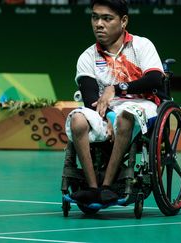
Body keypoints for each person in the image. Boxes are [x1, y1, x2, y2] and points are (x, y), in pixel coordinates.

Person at [65, 0, 164, 204]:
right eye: (95, 17)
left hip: (142, 106)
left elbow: (155, 79)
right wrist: (109, 115)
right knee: (77, 120)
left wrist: (116, 88)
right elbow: (91, 97)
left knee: (125, 118)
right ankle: (93, 188)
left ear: (123, 21)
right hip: (104, 110)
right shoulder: (87, 57)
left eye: (107, 18)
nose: (98, 24)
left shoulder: (141, 45)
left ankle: (108, 187)